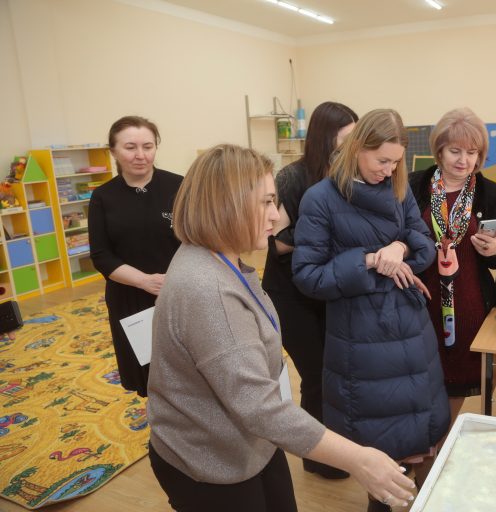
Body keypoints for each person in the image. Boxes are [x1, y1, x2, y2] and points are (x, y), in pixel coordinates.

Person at [147, 144, 415, 512]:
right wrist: (358, 459)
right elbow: (260, 407)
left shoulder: (216, 258)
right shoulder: (209, 292)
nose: (276, 216)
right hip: (211, 463)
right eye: (266, 203)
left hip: (249, 443)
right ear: (226, 206)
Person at [292, 109, 450, 511]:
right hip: (361, 339)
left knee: (419, 436)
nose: (389, 170)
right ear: (357, 148)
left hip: (412, 331)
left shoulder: (398, 188)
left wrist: (399, 247)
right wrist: (368, 260)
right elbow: (308, 276)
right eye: (382, 160)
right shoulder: (321, 198)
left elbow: (424, 243)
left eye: (396, 162)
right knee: (380, 449)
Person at [262, 101, 358, 480]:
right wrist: (323, 230)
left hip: (327, 289)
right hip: (291, 295)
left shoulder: (347, 174)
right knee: (316, 375)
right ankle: (317, 457)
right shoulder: (292, 178)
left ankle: (331, 447)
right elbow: (275, 243)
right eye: (347, 137)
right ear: (325, 136)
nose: (354, 145)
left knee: (334, 374)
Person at [408, 107, 496, 426]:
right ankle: (426, 443)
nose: (463, 161)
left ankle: (439, 443)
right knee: (418, 383)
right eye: (455, 151)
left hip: (468, 307)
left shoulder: (490, 194)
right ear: (439, 149)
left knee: (453, 389)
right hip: (419, 304)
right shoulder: (413, 186)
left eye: (472, 152)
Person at [89, 115, 183, 398]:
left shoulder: (179, 186)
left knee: (187, 368)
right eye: (130, 147)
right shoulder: (103, 197)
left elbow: (198, 238)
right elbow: (101, 256)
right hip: (129, 296)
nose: (141, 155)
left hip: (179, 291)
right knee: (148, 373)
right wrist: (144, 281)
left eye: (148, 146)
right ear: (113, 151)